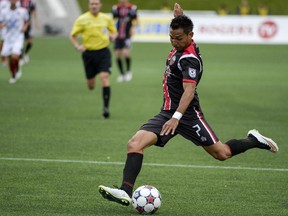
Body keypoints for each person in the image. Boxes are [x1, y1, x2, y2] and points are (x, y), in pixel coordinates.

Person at [98, 3, 279, 206]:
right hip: (167, 113)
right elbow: (182, 33)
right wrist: (181, 17)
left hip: (188, 115)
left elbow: (189, 91)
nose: (174, 42)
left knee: (222, 154)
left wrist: (177, 117)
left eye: (179, 38)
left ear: (190, 35)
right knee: (135, 144)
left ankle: (254, 140)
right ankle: (125, 191)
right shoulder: (187, 44)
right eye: (171, 37)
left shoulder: (189, 60)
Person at [70, 0, 117, 119]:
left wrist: (112, 36)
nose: (94, 6)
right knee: (91, 85)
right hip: (88, 54)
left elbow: (114, 32)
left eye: (96, 4)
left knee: (104, 77)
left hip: (103, 52)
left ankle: (106, 109)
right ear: (89, 5)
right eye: (92, 4)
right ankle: (92, 78)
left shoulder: (106, 18)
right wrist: (77, 45)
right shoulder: (82, 19)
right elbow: (73, 35)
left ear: (100, 5)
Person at [0, 0, 29, 84]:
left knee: (14, 56)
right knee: (10, 59)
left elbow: (27, 21)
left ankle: (18, 69)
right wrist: (1, 26)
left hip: (18, 37)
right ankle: (13, 75)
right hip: (8, 38)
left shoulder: (22, 11)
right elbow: (0, 22)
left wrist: (25, 27)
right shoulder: (4, 12)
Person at [112, 0, 137, 82]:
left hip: (127, 36)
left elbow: (135, 19)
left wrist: (133, 28)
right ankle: (121, 74)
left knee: (126, 53)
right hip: (118, 35)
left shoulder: (132, 8)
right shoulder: (116, 8)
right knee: (117, 55)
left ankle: (128, 72)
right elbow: (112, 20)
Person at [19, 0, 37, 65]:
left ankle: (25, 53)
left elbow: (34, 10)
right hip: (20, 24)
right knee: (20, 42)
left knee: (30, 41)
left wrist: (36, 21)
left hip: (28, 24)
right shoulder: (19, 2)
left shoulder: (31, 2)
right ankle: (20, 58)